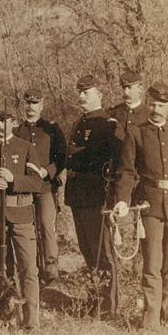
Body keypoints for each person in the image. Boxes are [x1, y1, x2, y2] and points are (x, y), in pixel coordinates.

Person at [112, 83, 168, 329]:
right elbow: (127, 171)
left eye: (161, 105)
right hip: (150, 207)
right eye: (152, 104)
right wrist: (122, 200)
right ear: (147, 104)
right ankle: (151, 315)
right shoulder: (136, 134)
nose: (156, 109)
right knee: (152, 263)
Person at [0, 109, 46, 330]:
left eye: (5, 122)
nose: (0, 126)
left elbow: (37, 182)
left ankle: (31, 319)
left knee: (28, 268)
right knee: (0, 266)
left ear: (14, 123)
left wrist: (13, 179)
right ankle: (4, 314)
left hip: (22, 216)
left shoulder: (26, 147)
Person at [65, 75, 119, 317]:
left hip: (96, 196)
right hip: (78, 195)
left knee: (102, 253)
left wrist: (111, 198)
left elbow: (113, 164)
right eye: (80, 92)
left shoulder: (107, 124)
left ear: (100, 95)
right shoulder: (80, 122)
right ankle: (96, 299)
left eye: (86, 92)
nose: (81, 96)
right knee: (88, 251)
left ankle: (109, 306)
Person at [13, 89, 67, 284]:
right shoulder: (17, 132)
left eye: (35, 103)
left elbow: (62, 156)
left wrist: (48, 171)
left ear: (42, 105)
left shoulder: (51, 129)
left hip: (45, 187)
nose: (31, 107)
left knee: (46, 226)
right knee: (27, 229)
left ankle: (51, 269)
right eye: (28, 103)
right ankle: (31, 268)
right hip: (24, 189)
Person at [108, 69, 150, 154]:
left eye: (130, 88)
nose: (126, 92)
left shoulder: (149, 115)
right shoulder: (113, 113)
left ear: (140, 89)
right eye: (124, 88)